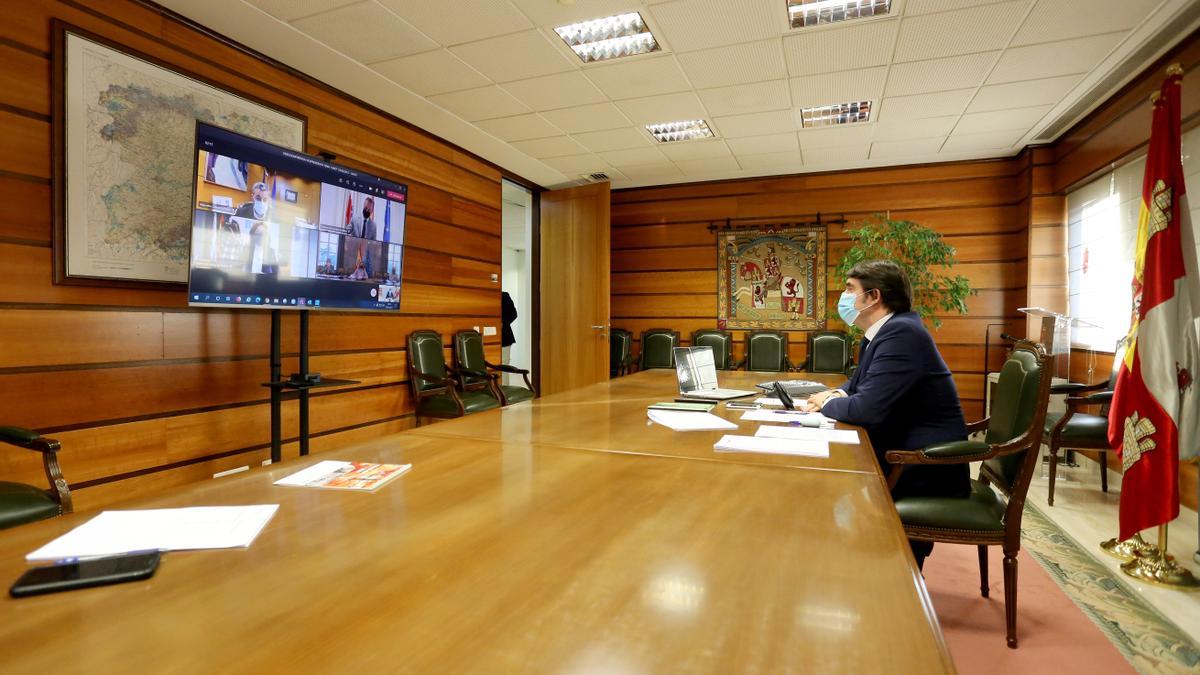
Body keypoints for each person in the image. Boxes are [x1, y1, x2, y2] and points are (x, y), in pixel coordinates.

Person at [803, 260, 970, 569]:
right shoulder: (886, 332)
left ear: (873, 297)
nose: (844, 296)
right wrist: (835, 394)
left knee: (817, 489)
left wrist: (824, 403)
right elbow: (857, 384)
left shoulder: (901, 335)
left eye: (851, 289)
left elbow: (866, 409)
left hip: (921, 465)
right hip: (900, 448)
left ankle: (889, 582)